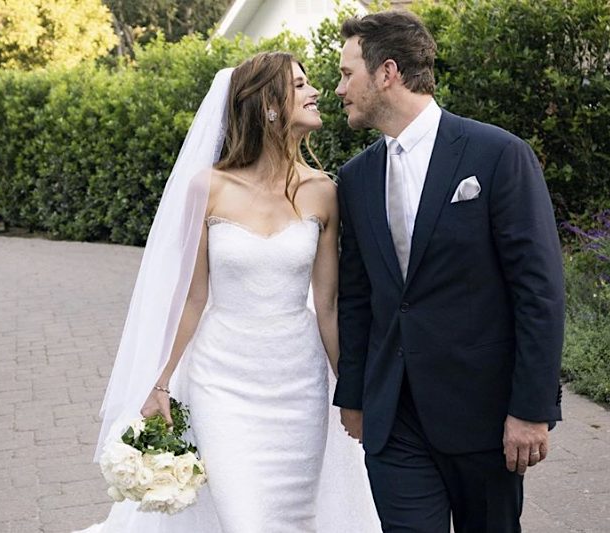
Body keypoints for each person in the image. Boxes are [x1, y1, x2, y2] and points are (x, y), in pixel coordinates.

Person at [75, 52, 380, 532]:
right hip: (222, 380)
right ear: (268, 105)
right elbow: (192, 298)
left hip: (298, 384)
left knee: (293, 516)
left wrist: (352, 388)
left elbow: (327, 306)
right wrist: (160, 383)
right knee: (244, 517)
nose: (316, 91)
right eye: (300, 85)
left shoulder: (323, 191)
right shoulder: (209, 187)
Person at [332, 10, 566, 532]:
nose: (340, 89)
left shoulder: (498, 154)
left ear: (387, 73)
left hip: (484, 417)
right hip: (394, 420)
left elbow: (539, 292)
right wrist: (354, 394)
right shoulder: (356, 177)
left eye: (347, 74)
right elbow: (357, 296)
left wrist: (531, 409)